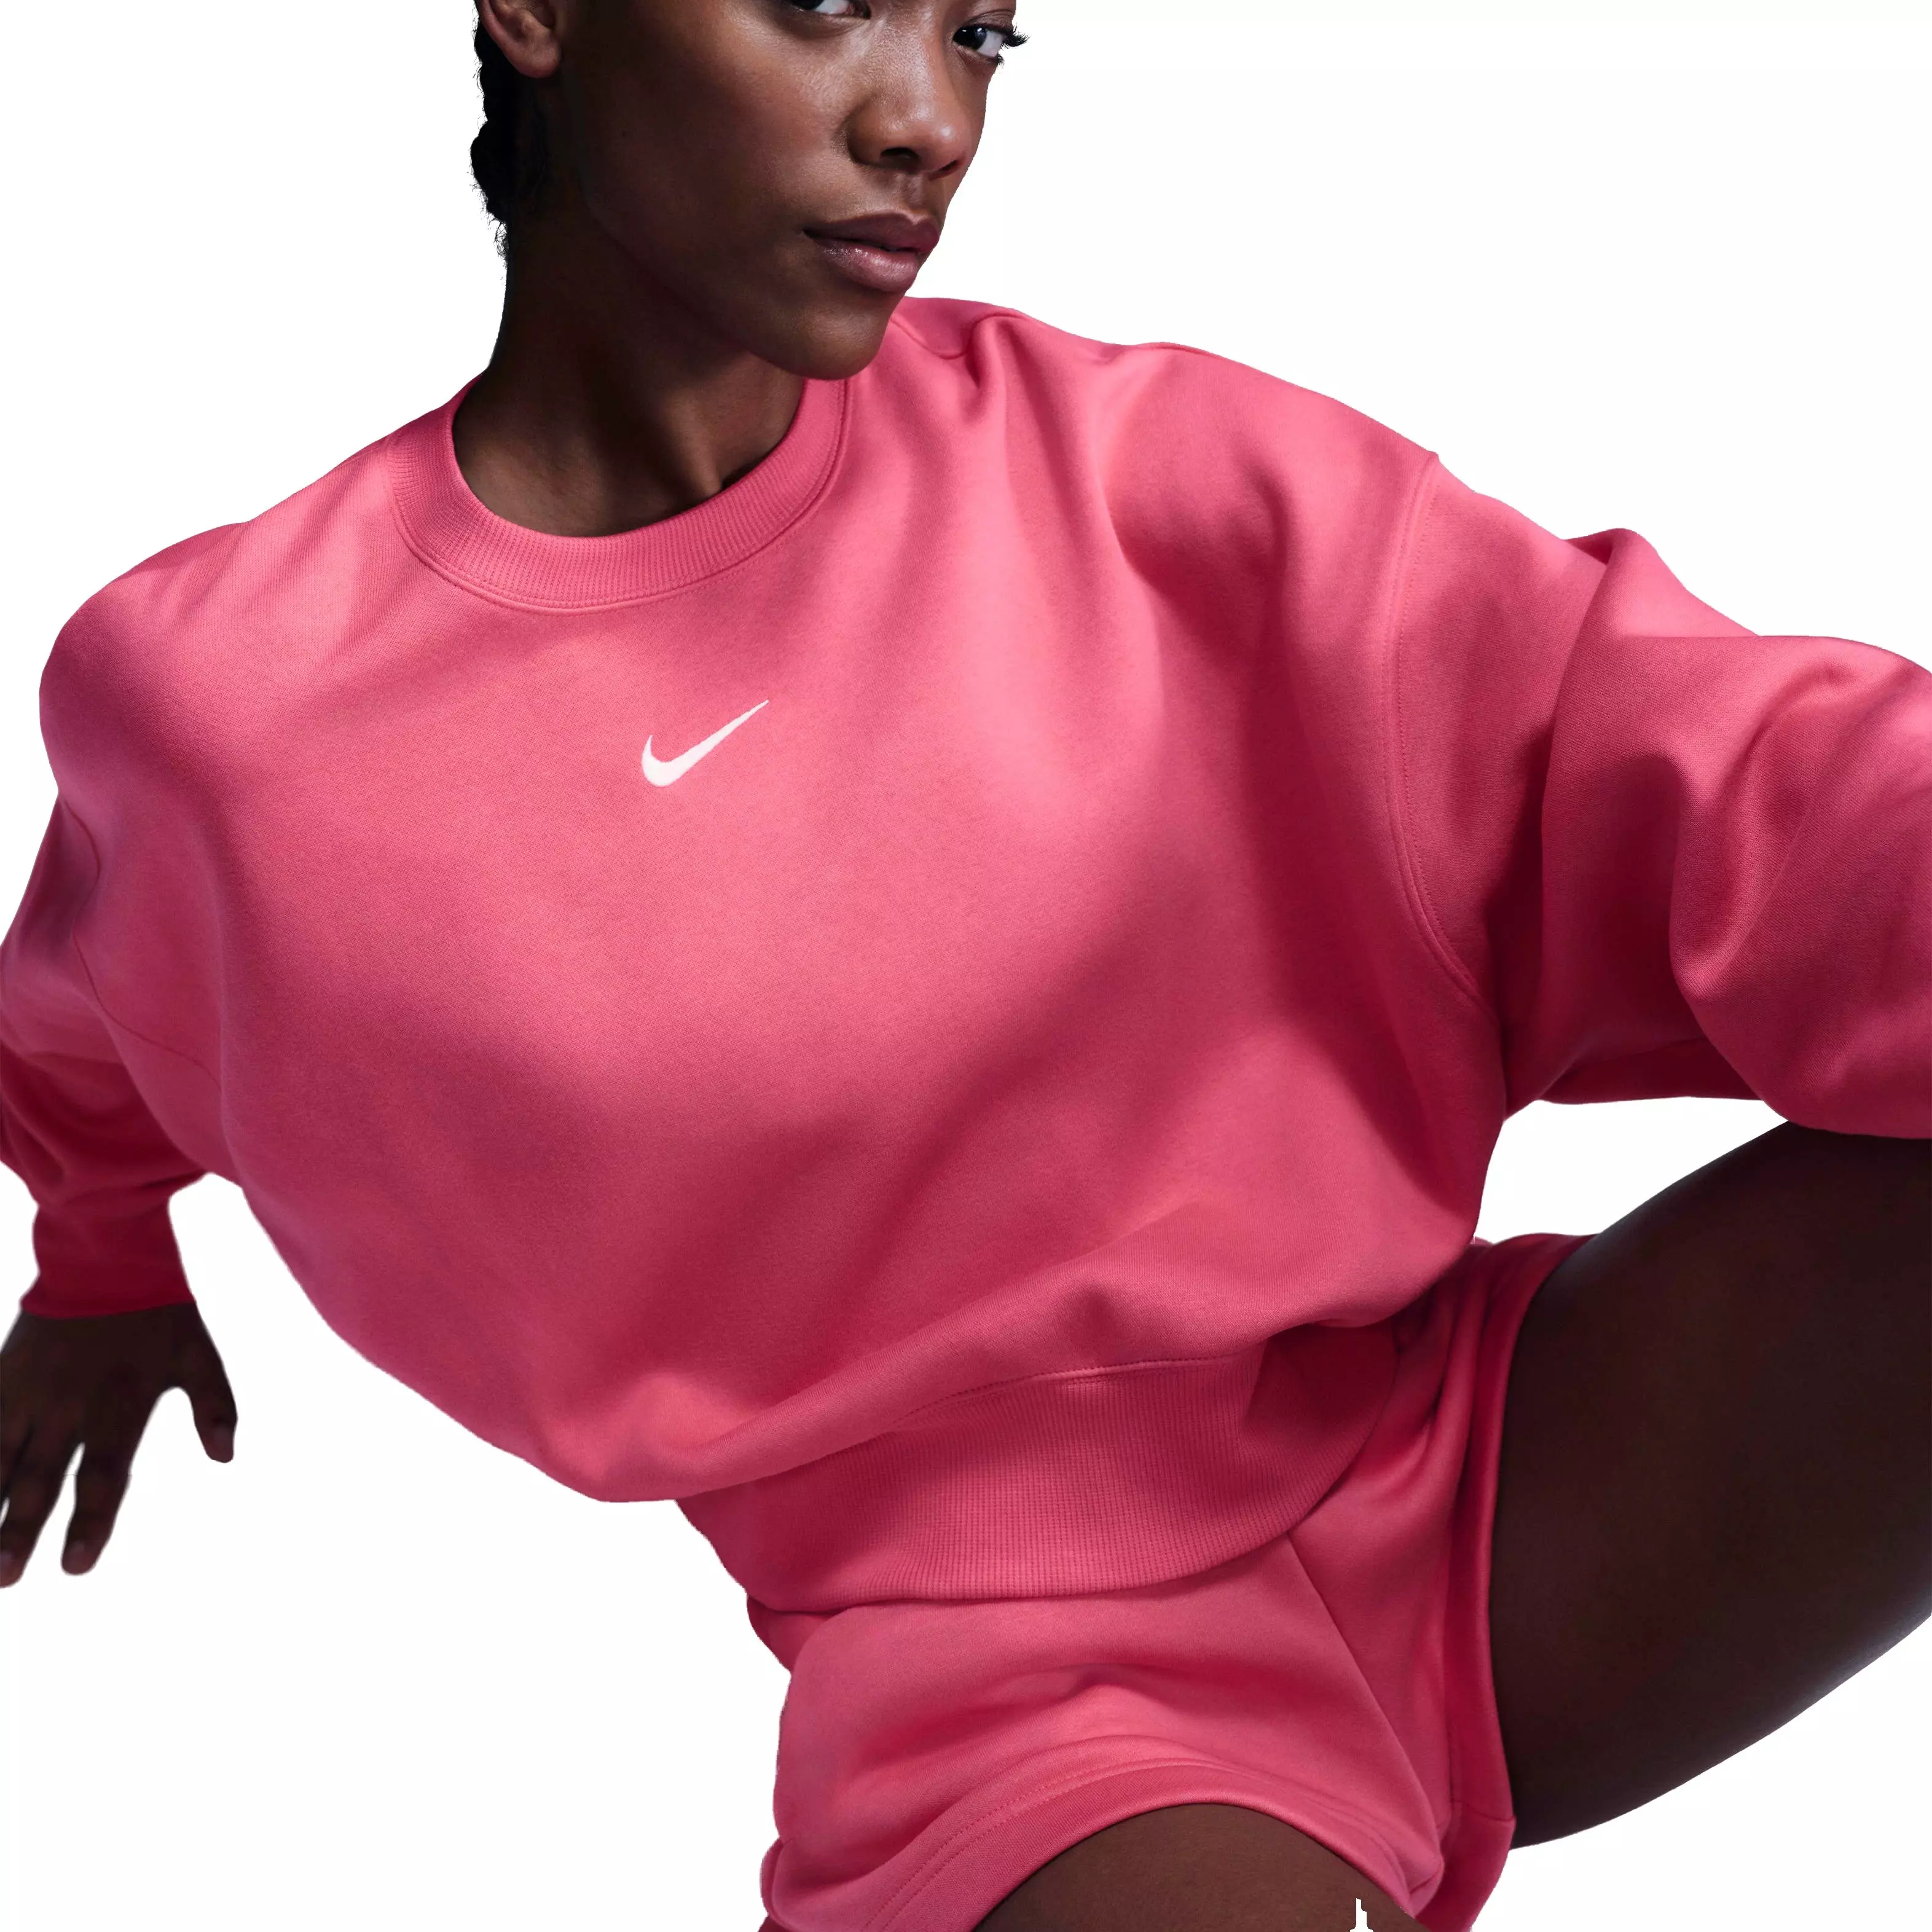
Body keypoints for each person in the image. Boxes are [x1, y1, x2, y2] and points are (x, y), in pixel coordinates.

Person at [0, 4, 1925, 1930]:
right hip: (1021, 1697)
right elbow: (90, 1002)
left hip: (1510, 1474)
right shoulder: (252, 704)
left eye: (984, 35)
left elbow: (1696, 759)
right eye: (830, 3)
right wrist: (99, 1261)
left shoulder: (1142, 472)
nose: (932, 121)